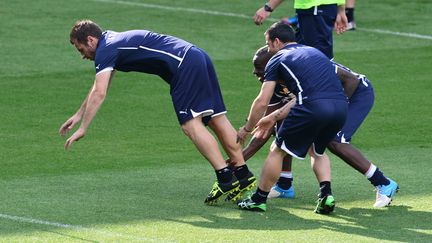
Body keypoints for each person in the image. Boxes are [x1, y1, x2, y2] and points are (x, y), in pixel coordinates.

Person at [58, 19, 256, 206]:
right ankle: (243, 175)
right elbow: (99, 87)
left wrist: (84, 127)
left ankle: (225, 177)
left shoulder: (106, 49)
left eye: (81, 49)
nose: (83, 55)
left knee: (190, 125)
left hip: (183, 66)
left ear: (91, 40)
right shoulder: (111, 41)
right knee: (215, 118)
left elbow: (100, 92)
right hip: (197, 56)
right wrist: (78, 114)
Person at [241, 45, 399, 208]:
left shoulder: (298, 63)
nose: (256, 73)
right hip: (324, 102)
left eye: (259, 68)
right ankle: (285, 184)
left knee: (335, 141)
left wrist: (334, 110)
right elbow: (266, 126)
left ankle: (384, 183)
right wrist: (237, 162)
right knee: (285, 128)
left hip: (355, 93)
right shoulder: (276, 81)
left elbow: (352, 80)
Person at [236, 22, 348, 213]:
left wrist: (247, 128)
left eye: (268, 44)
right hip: (340, 107)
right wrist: (274, 117)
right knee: (318, 151)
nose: (268, 49)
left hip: (312, 107)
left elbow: (263, 100)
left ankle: (258, 199)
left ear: (277, 41)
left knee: (277, 150)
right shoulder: (314, 52)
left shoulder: (277, 58)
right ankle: (326, 196)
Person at [253, 0, 348, 59]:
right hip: (317, 8)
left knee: (319, 58)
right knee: (300, 54)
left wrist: (268, 7)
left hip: (315, 8)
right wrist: (341, 9)